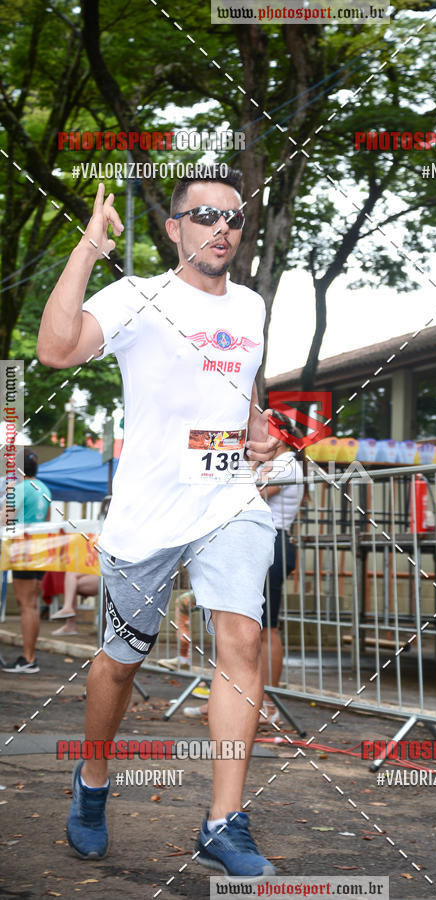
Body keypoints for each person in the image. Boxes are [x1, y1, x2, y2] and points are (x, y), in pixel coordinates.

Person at [36, 168, 279, 876]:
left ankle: (224, 822)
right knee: (121, 664)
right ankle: (93, 780)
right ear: (175, 229)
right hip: (148, 509)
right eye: (205, 216)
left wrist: (258, 429)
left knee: (242, 639)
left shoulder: (252, 305)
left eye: (234, 217)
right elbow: (56, 350)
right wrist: (87, 248)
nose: (222, 228)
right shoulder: (137, 297)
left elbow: (244, 380)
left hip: (228, 497)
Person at [256, 414, 306, 724]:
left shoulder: (285, 465)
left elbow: (252, 493)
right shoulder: (280, 463)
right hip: (264, 542)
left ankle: (268, 704)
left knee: (266, 627)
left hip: (271, 543)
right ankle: (241, 700)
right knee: (250, 626)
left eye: (266, 431)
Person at [2, 450, 52, 674]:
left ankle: (28, 658)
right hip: (39, 551)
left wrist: (8, 495)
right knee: (31, 605)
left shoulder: (20, 488)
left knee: (26, 605)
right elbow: (48, 521)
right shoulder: (44, 489)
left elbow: (5, 518)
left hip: (22, 550)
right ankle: (30, 657)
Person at [51, 572, 100, 636]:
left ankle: (68, 611)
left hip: (105, 575)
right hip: (98, 574)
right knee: (71, 581)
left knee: (70, 577)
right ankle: (69, 622)